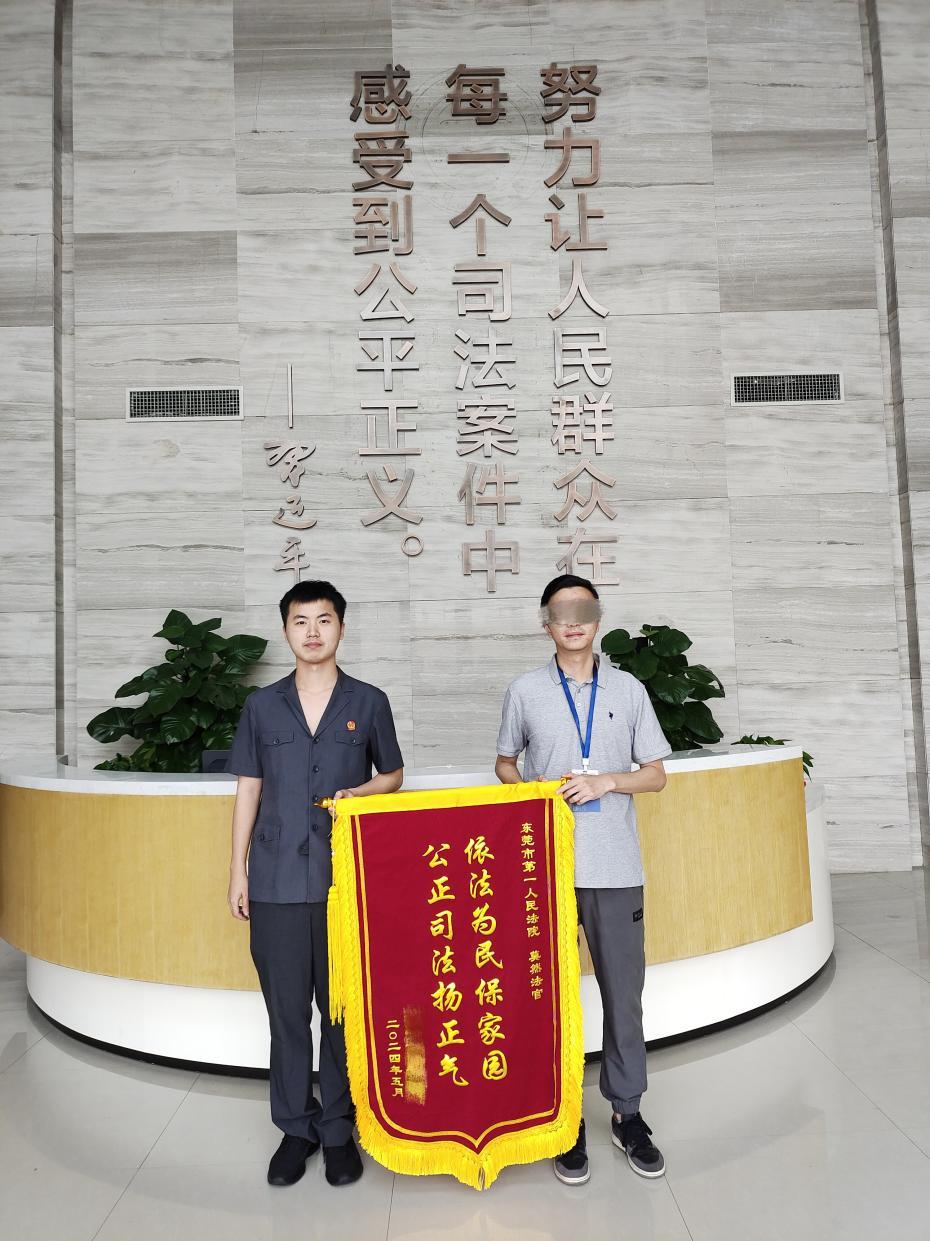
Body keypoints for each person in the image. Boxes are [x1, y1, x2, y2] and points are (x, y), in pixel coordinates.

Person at [495, 573, 671, 1186]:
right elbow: (504, 763)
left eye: (584, 610)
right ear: (545, 622)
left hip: (615, 866)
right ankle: (562, 1118)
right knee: (548, 996)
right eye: (560, 611)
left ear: (597, 620)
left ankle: (627, 1113)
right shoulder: (524, 691)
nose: (573, 621)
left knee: (623, 993)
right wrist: (533, 792)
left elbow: (656, 775)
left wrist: (607, 781)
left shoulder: (628, 689)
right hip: (545, 870)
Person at [226, 580, 404, 1188]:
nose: (312, 632)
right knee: (285, 1014)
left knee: (340, 1010)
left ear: (341, 628)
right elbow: (248, 788)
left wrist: (363, 792)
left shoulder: (369, 701)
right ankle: (295, 1130)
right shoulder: (262, 707)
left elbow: (394, 774)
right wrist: (236, 870)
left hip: (344, 884)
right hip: (274, 879)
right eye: (300, 621)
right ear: (286, 631)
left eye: (323, 620)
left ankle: (337, 1129)